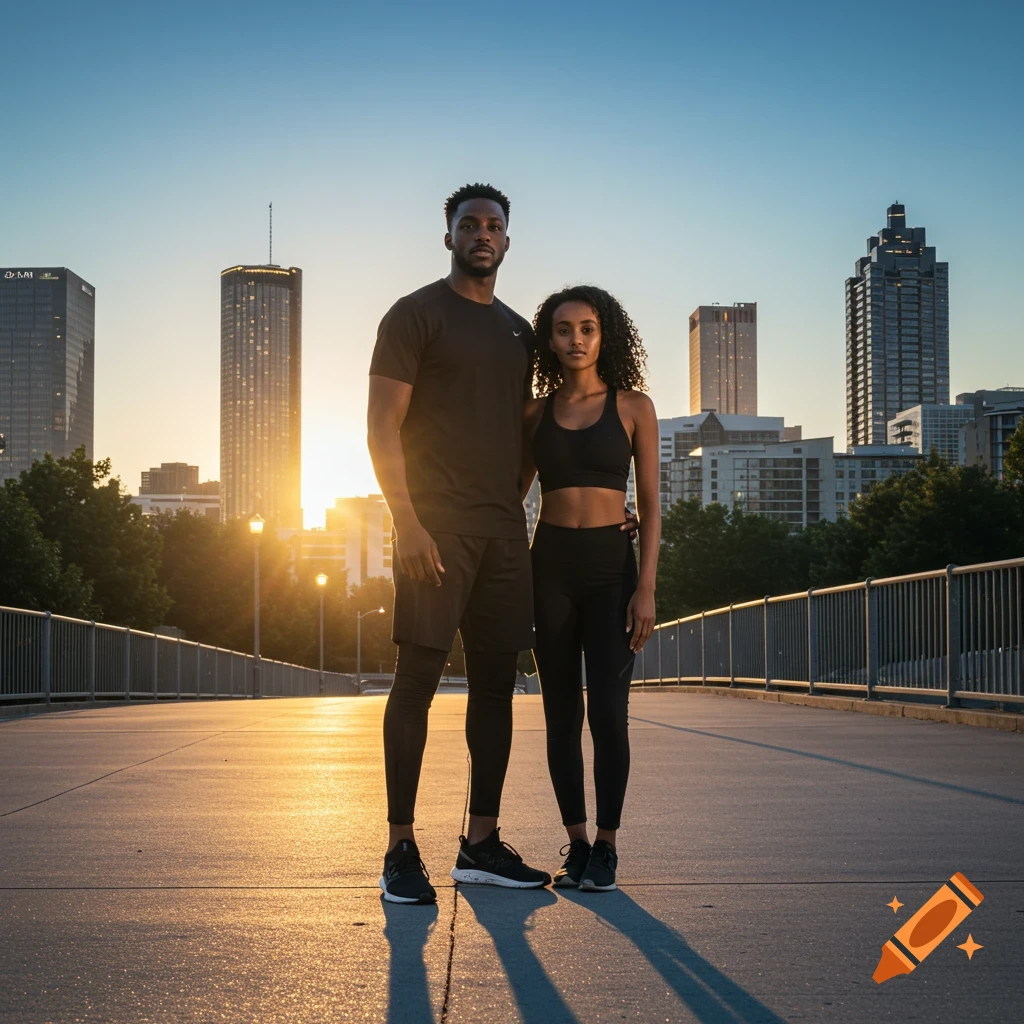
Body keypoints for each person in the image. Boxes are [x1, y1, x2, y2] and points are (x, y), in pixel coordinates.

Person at [367, 183, 552, 904]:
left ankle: (480, 842)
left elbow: (528, 427)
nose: (482, 233)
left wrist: (528, 501)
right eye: (469, 224)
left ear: (507, 241)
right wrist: (405, 521)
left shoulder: (519, 333)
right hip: (433, 528)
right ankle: (400, 849)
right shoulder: (414, 315)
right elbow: (383, 427)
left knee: (496, 686)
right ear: (448, 237)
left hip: (505, 531)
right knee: (416, 680)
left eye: (494, 225)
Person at [521, 285, 660, 893]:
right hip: (548, 567)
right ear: (548, 339)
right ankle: (575, 844)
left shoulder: (633, 407)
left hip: (612, 569)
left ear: (605, 336)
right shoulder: (533, 413)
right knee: (560, 713)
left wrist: (647, 587)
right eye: (562, 329)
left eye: (587, 328)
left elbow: (652, 505)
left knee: (608, 711)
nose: (575, 339)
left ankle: (606, 846)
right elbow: (508, 495)